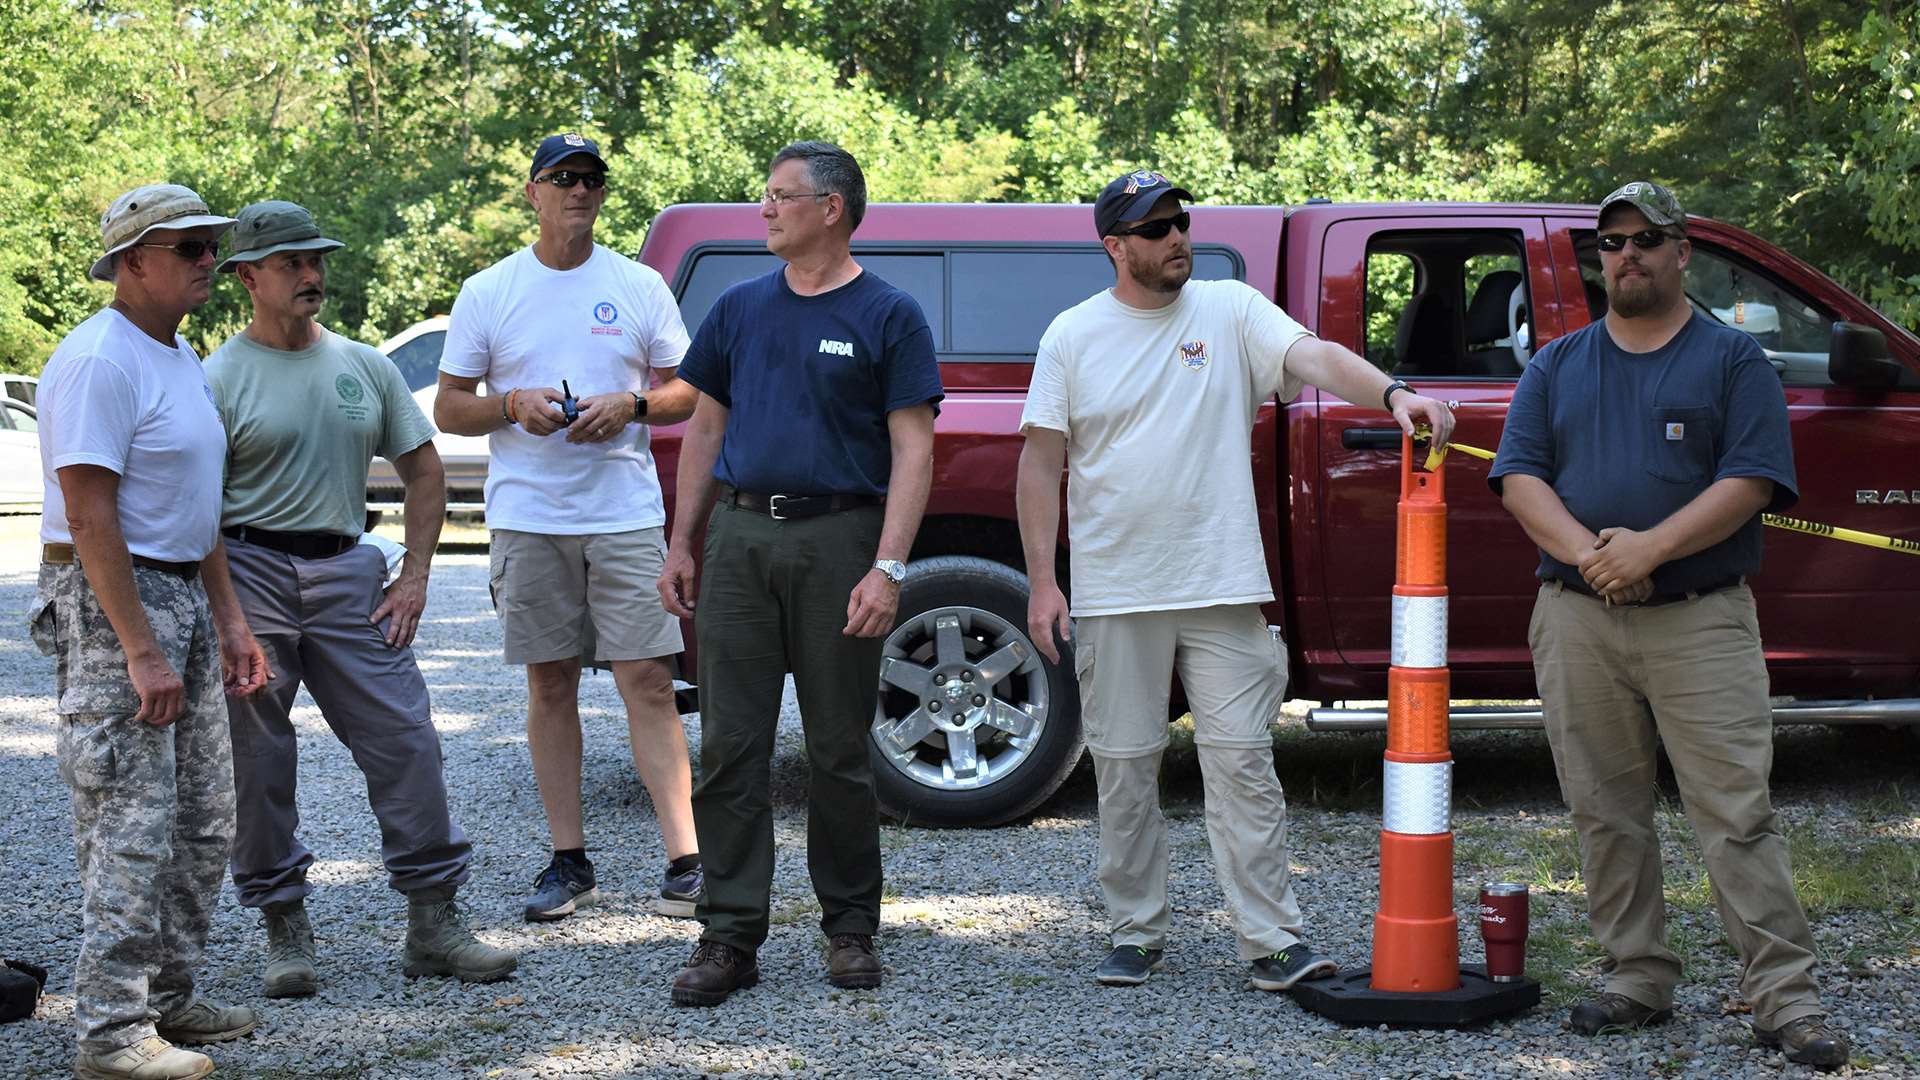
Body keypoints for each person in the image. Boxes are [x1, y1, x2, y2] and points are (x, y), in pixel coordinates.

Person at [1015, 170, 1456, 991]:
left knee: (1244, 764)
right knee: (1124, 763)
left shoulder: (1230, 308)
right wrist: (1044, 581)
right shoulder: (1071, 336)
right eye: (1154, 230)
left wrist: (1396, 393)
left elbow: (1313, 355)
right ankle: (1135, 930)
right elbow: (1041, 465)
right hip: (1116, 590)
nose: (1177, 237)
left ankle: (1271, 940)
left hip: (1222, 584)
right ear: (1115, 248)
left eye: (1180, 222)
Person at [1490, 181, 1847, 1068]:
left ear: (1683, 252)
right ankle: (1636, 978)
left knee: (1734, 812)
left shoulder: (1734, 361)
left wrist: (1647, 550)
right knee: (1605, 812)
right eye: (1612, 242)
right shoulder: (1557, 364)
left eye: (1648, 239)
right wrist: (1590, 556)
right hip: (1576, 617)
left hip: (1701, 618)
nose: (1628, 255)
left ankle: (1785, 999)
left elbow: (1750, 481)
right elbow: (1522, 477)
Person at [205, 200, 517, 996]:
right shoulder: (217, 377)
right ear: (247, 277)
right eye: (292, 263)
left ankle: (433, 924)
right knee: (260, 759)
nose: (312, 275)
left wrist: (414, 572)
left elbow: (424, 469)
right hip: (251, 571)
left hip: (348, 573)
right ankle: (284, 928)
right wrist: (228, 613)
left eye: (318, 260)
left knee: (407, 740)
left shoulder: (363, 366)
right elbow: (195, 505)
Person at [658, 140, 940, 1007]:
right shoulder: (740, 309)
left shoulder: (890, 314)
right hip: (742, 540)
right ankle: (729, 933)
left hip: (841, 541)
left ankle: (850, 927)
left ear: (833, 208)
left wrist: (888, 567)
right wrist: (683, 542)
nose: (766, 210)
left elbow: (913, 446)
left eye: (783, 197)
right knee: (729, 748)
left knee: (839, 751)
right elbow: (704, 430)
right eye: (766, 196)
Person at [31, 183, 272, 1080]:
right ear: (133, 261)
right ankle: (111, 1034)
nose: (210, 258)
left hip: (181, 595)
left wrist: (230, 619)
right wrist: (139, 646)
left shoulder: (176, 355)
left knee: (204, 818)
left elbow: (196, 508)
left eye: (212, 244)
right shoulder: (101, 360)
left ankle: (168, 998)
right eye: (189, 246)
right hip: (115, 600)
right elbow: (90, 516)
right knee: (129, 825)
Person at [435, 133, 704, 922]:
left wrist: (635, 404)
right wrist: (511, 405)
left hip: (623, 513)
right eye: (564, 178)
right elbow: (450, 407)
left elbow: (689, 390)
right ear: (533, 192)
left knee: (649, 681)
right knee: (549, 682)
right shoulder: (490, 290)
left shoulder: (639, 283)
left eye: (592, 179)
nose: (579, 191)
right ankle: (569, 860)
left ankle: (686, 860)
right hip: (528, 517)